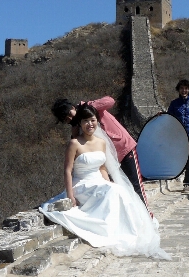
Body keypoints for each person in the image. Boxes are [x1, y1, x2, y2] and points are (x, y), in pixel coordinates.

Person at [40, 104, 170, 258]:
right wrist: (70, 195)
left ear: (97, 121)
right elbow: (68, 170)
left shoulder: (101, 142)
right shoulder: (74, 143)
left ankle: (126, 231)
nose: (90, 124)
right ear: (80, 123)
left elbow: (102, 167)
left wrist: (108, 184)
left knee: (119, 190)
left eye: (92, 120)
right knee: (112, 192)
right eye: (85, 121)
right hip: (82, 184)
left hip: (98, 181)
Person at [51, 97, 153, 216]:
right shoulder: (78, 125)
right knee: (117, 189)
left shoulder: (91, 108)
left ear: (73, 108)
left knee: (135, 185)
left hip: (123, 148)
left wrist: (91, 106)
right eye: (66, 119)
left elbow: (110, 101)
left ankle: (146, 215)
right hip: (105, 160)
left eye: (69, 114)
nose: (70, 118)